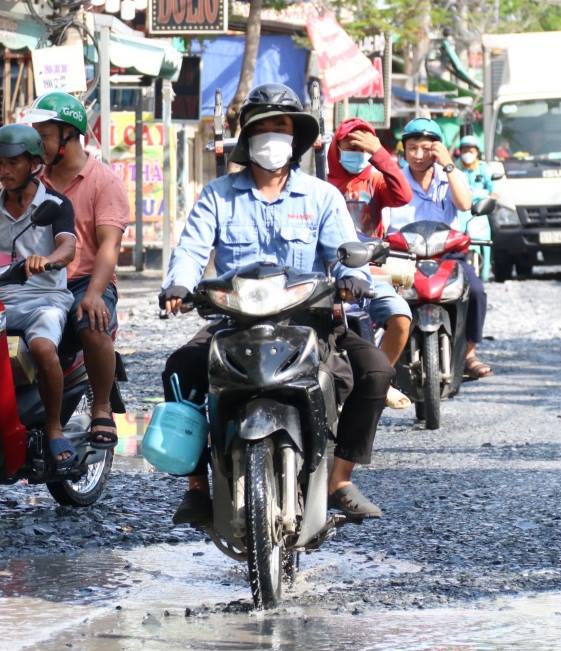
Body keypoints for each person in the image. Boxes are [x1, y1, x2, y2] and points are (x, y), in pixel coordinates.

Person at [160, 84, 394, 525]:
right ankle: (196, 486)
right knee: (180, 368)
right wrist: (178, 286)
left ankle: (340, 478)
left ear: (296, 138)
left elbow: (347, 250)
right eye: (263, 127)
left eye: (281, 127)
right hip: (234, 322)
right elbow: (191, 250)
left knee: (375, 370)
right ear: (247, 136)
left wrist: (352, 280)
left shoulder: (322, 197)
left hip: (310, 321)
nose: (272, 136)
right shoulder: (217, 195)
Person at [0, 124, 78, 469]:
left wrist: (50, 261)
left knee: (42, 347)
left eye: (13, 163)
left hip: (45, 297)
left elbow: (68, 246)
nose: (4, 171)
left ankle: (55, 429)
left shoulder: (56, 204)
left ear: (33, 164)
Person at [24, 92, 129, 449]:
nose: (37, 144)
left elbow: (109, 247)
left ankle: (101, 406)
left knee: (91, 321)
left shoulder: (104, 182)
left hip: (86, 280)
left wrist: (95, 293)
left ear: (69, 136)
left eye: (44, 136)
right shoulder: (33, 181)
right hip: (38, 280)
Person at [383, 118, 493, 379]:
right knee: (379, 297)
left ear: (438, 150)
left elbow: (465, 204)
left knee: (475, 291)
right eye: (412, 148)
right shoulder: (394, 180)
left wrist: (448, 165)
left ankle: (468, 354)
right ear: (403, 150)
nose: (419, 155)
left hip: (447, 255)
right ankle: (384, 356)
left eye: (426, 148)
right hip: (404, 256)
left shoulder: (450, 176)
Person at [326, 117, 414, 408]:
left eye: (363, 145)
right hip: (330, 274)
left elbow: (403, 195)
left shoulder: (375, 180)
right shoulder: (321, 186)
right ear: (336, 147)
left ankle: (381, 380)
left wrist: (379, 154)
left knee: (400, 316)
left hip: (371, 272)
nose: (356, 150)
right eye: (350, 144)